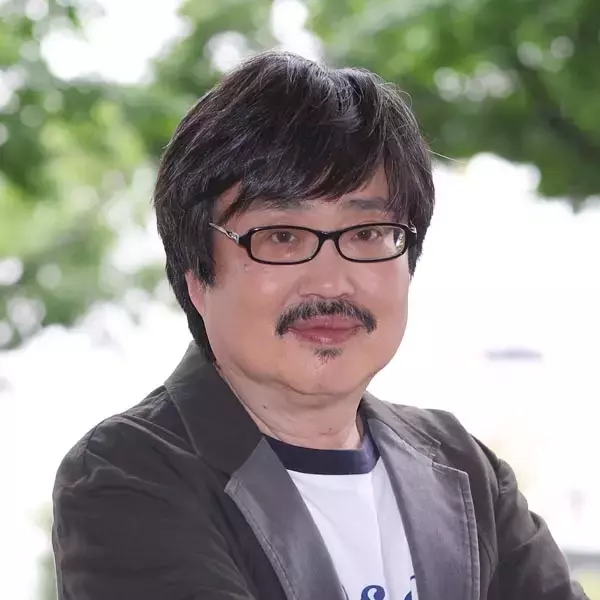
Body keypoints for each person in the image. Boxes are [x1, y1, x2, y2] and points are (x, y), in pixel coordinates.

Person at [51, 51, 588, 600]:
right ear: (196, 277)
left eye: (367, 233)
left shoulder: (466, 471)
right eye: (282, 237)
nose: (331, 283)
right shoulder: (129, 475)